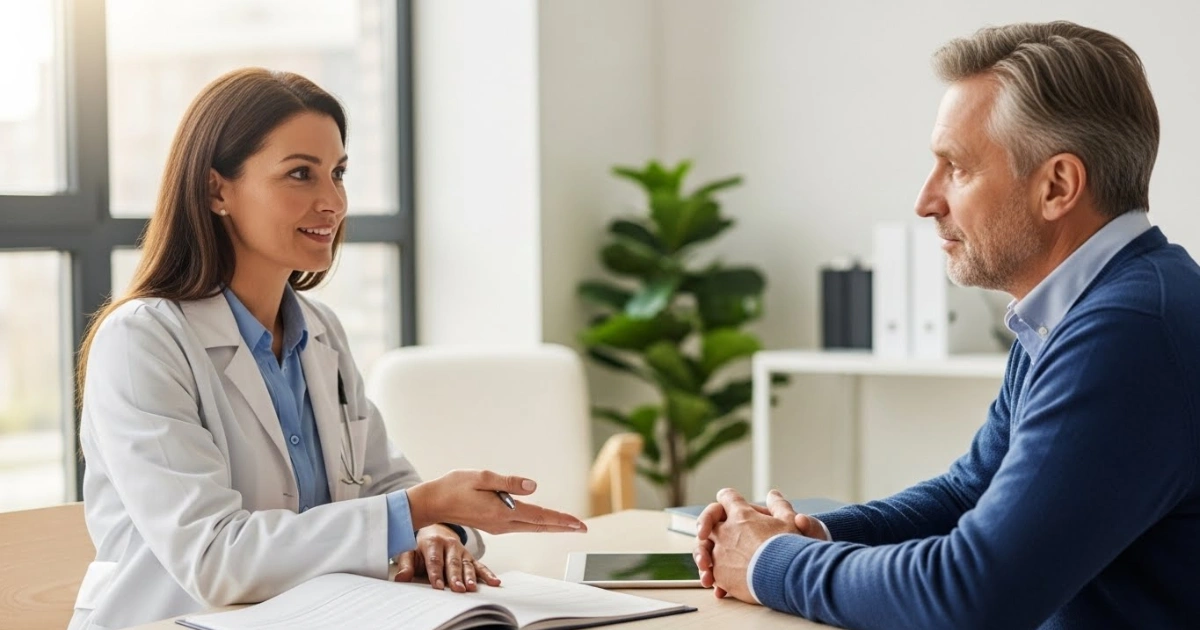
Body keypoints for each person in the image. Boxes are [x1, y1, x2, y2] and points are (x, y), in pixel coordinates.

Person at [693, 21, 1200, 629]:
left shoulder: (1129, 331)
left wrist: (770, 561)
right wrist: (808, 532)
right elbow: (967, 495)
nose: (926, 200)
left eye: (955, 167)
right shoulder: (1080, 308)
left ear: (1058, 185)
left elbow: (970, 593)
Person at [68, 68, 587, 630]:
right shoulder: (143, 340)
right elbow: (216, 560)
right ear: (218, 190)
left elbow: (387, 484)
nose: (332, 202)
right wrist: (419, 510)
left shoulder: (320, 332)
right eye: (300, 174)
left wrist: (437, 532)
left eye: (338, 173)